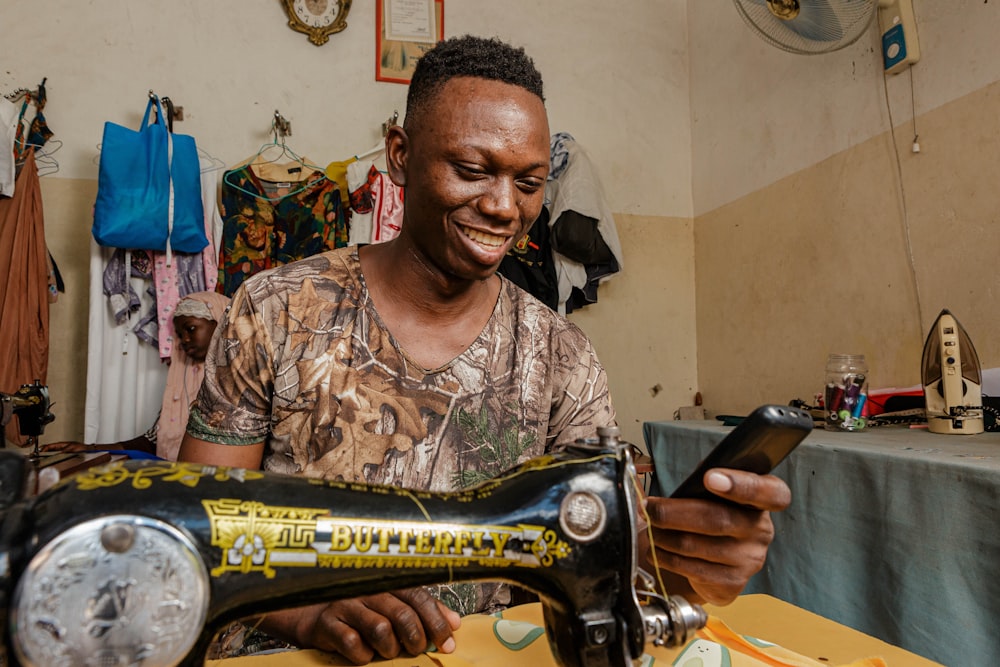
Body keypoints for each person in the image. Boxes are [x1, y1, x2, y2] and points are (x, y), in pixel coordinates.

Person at [179, 35, 791, 665]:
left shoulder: (560, 354)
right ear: (400, 155)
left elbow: (610, 552)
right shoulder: (275, 309)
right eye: (471, 171)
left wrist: (694, 561)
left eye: (528, 182)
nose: (504, 208)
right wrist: (309, 610)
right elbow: (192, 533)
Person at [45, 291, 229, 460]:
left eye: (191, 329)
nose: (185, 340)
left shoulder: (239, 381)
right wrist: (91, 448)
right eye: (179, 335)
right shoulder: (182, 381)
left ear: (220, 324)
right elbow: (153, 441)